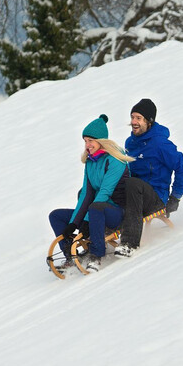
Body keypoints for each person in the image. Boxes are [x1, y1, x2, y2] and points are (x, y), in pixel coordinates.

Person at [49, 114, 134, 272]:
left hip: (116, 213)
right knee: (56, 216)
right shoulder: (90, 162)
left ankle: (96, 256)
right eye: (85, 141)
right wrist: (74, 223)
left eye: (90, 141)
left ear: (101, 141)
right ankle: (71, 256)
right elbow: (86, 195)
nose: (87, 145)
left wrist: (87, 221)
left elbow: (104, 193)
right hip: (96, 211)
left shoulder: (115, 160)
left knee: (96, 207)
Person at [114, 98, 183, 258]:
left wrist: (175, 197)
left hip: (155, 197)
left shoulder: (160, 144)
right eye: (132, 117)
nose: (134, 121)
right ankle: (96, 239)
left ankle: (130, 243)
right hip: (134, 195)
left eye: (138, 118)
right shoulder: (130, 142)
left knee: (133, 184)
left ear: (149, 121)